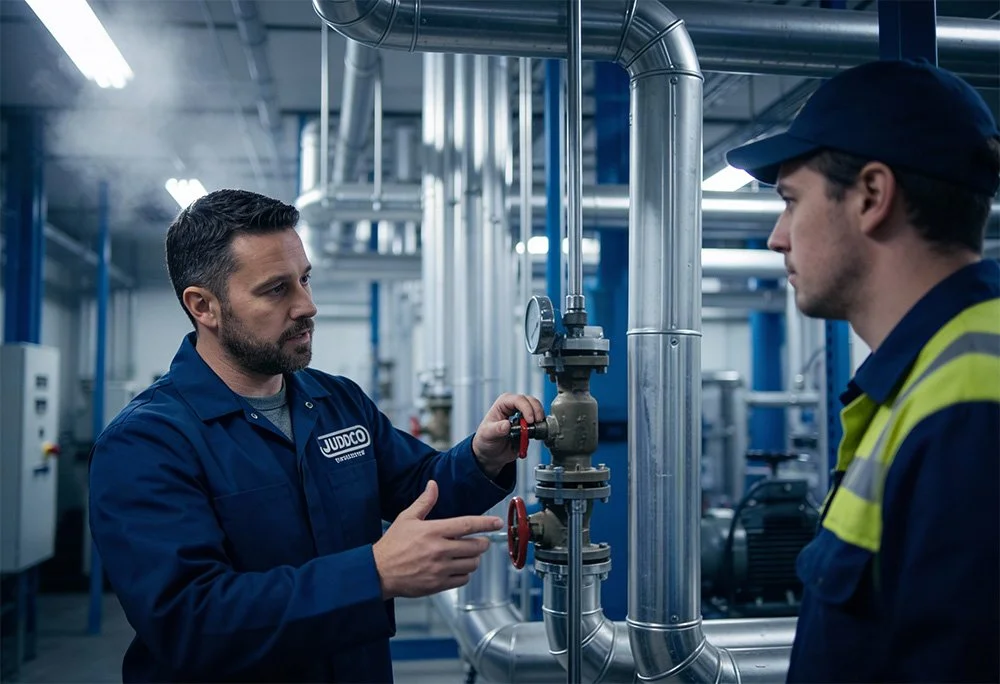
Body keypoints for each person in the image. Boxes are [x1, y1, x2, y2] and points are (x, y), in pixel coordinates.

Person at [88, 189, 544, 684]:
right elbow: (189, 621)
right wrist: (373, 574)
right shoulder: (146, 444)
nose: (307, 305)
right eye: (276, 289)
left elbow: (420, 487)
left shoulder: (336, 402)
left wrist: (480, 455)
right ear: (204, 306)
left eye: (304, 279)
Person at [726, 58, 999, 682]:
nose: (777, 237)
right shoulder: (924, 380)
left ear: (872, 196)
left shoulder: (971, 406)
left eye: (792, 202)